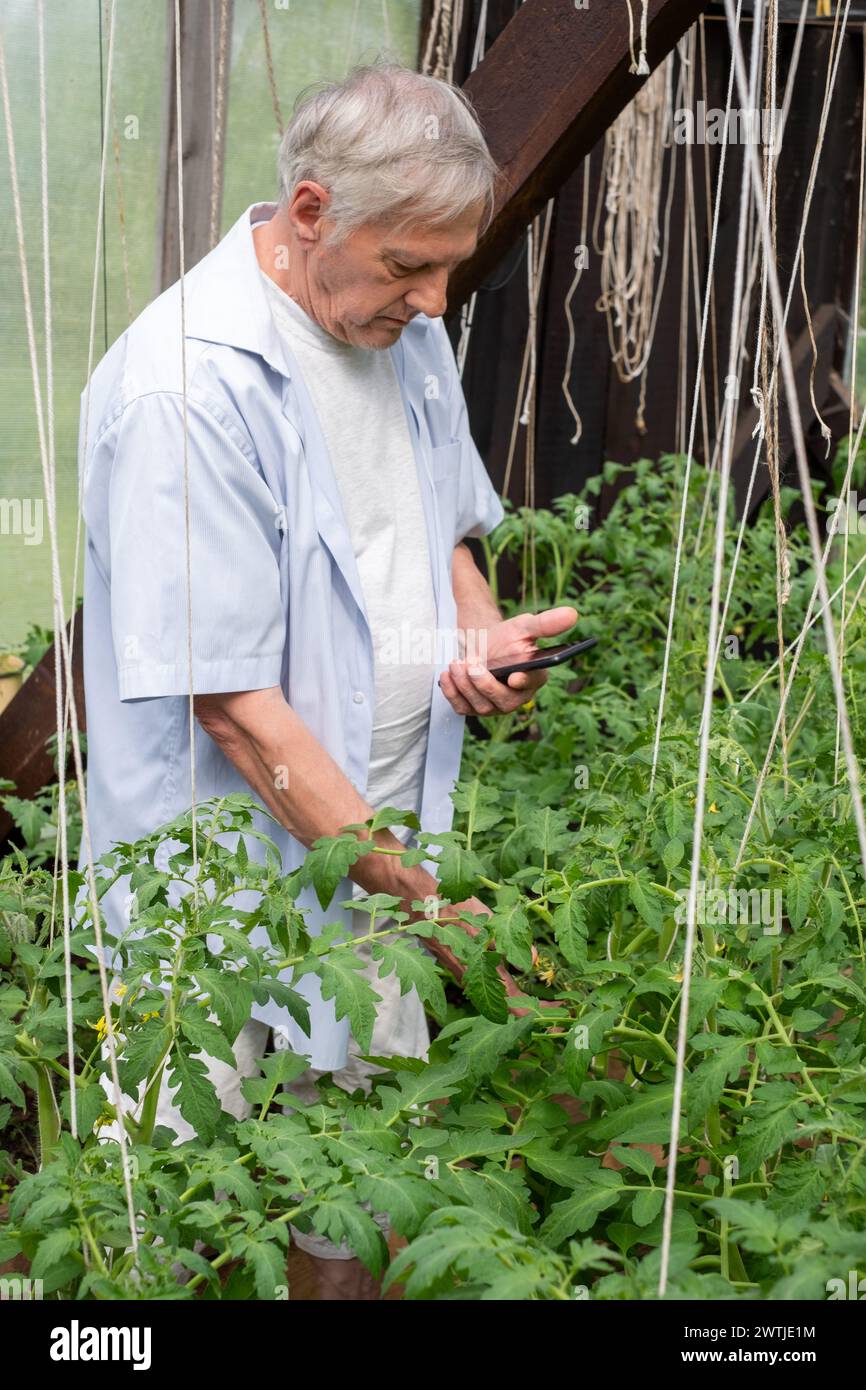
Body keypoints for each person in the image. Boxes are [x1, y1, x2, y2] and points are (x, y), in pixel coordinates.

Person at [82, 59, 577, 1299]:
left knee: (350, 1195)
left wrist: (478, 636)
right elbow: (239, 718)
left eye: (451, 267)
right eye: (411, 265)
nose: (433, 298)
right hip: (227, 887)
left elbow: (446, 523)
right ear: (310, 211)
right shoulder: (185, 389)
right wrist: (426, 909)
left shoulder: (394, 320)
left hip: (377, 836)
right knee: (196, 1209)